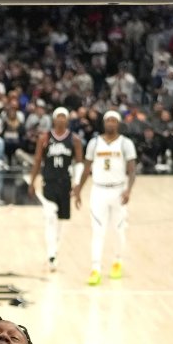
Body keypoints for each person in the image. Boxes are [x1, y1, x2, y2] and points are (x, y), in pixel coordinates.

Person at [73, 110, 137, 286]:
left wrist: (128, 190)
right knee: (97, 231)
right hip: (99, 190)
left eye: (113, 120)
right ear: (103, 123)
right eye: (108, 120)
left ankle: (117, 262)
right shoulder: (94, 143)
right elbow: (87, 168)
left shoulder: (126, 144)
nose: (110, 123)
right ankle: (95, 269)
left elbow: (132, 171)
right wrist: (78, 189)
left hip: (118, 190)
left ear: (118, 124)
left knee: (118, 229)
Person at [27, 107, 83, 272]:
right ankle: (51, 253)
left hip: (65, 182)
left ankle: (54, 251)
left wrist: (78, 184)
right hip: (49, 182)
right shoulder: (44, 138)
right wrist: (32, 181)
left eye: (63, 117)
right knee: (50, 215)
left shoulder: (74, 140)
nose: (60, 119)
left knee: (60, 221)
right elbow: (38, 160)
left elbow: (79, 163)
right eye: (58, 116)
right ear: (53, 119)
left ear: (67, 120)